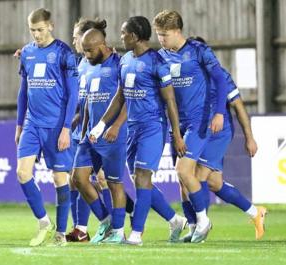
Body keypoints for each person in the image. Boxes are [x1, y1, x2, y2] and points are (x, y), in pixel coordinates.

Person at [89, 16, 187, 245]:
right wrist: (102, 125)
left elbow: (170, 100)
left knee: (143, 177)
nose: (121, 37)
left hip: (153, 126)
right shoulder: (124, 61)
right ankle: (174, 220)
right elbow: (120, 96)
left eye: (123, 33)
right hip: (131, 128)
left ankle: (136, 234)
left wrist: (176, 134)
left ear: (134, 36)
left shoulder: (157, 62)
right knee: (139, 181)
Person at [153, 10, 233, 243]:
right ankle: (193, 226)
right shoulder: (161, 56)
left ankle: (203, 221)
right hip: (176, 124)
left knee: (183, 170)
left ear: (178, 31)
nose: (161, 39)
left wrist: (219, 112)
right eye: (158, 35)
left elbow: (219, 79)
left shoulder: (198, 50)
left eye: (164, 34)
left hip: (200, 121)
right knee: (182, 180)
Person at [178, 36, 267, 242]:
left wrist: (249, 138)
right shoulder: (187, 76)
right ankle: (255, 213)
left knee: (197, 176)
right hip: (195, 130)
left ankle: (201, 228)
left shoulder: (222, 77)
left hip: (218, 133)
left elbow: (239, 106)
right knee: (214, 183)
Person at [16, 8, 78, 247]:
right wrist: (20, 124)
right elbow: (23, 92)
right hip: (32, 123)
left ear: (51, 26)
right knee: (23, 173)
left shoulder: (64, 53)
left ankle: (61, 233)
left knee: (60, 178)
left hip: (56, 126)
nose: (36, 35)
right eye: (32, 30)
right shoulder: (27, 52)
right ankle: (43, 221)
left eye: (40, 30)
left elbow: (73, 95)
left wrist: (65, 129)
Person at [72, 28, 128, 244]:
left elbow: (127, 99)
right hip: (90, 135)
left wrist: (116, 126)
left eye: (89, 50)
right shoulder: (85, 64)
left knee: (114, 183)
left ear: (102, 45)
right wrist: (84, 130)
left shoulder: (119, 63)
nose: (85, 55)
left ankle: (119, 231)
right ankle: (105, 221)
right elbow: (87, 101)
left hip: (113, 134)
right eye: (83, 51)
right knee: (78, 178)